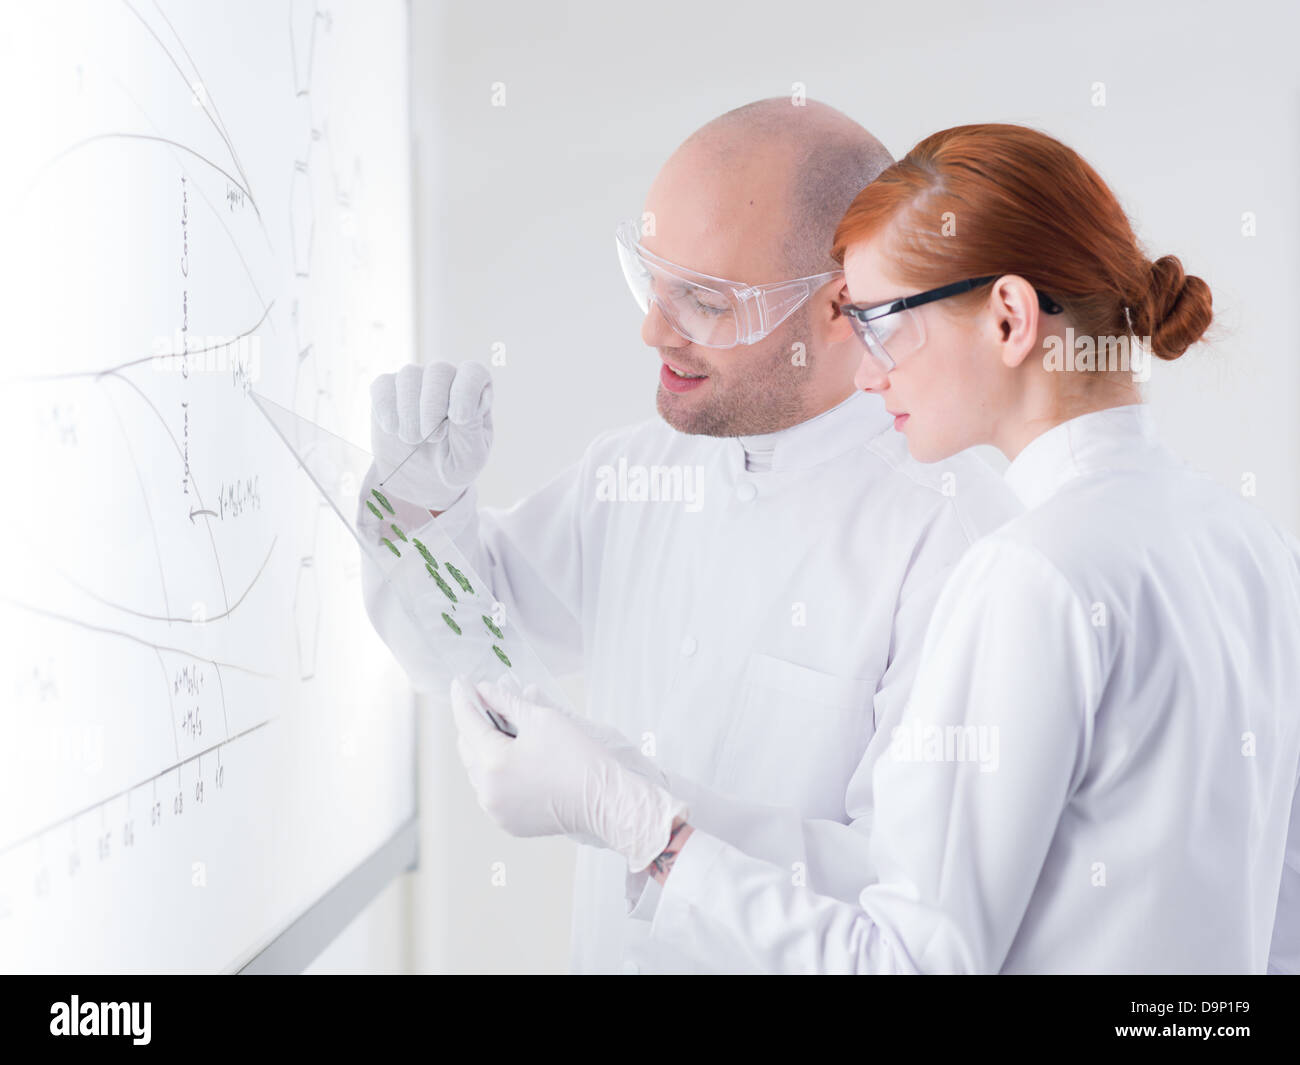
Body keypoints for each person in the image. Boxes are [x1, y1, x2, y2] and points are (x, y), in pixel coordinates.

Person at [452, 123, 1300, 974]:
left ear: (1008, 318)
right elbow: (1276, 912)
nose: (864, 373)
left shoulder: (1025, 571)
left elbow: (906, 963)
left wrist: (649, 836)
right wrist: (640, 790)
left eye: (881, 324)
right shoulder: (1246, 539)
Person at [359, 100, 1023, 974]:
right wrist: (421, 509)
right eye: (652, 280)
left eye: (704, 301)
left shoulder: (955, 538)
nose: (653, 329)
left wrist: (647, 822)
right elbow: (473, 649)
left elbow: (910, 930)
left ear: (839, 304)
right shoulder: (640, 470)